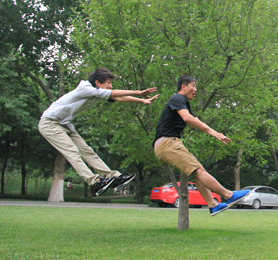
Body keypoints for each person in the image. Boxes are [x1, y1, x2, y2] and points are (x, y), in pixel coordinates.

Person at [39, 68, 159, 196]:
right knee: (72, 152)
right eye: (108, 83)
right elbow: (114, 93)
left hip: (63, 123)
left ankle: (113, 177)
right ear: (97, 83)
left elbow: (117, 98)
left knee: (87, 151)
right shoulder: (85, 89)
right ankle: (94, 181)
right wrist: (138, 92)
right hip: (49, 123)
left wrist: (141, 100)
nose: (110, 86)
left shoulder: (95, 93)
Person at [153, 75, 250, 216]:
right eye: (193, 86)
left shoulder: (184, 104)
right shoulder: (177, 98)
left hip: (168, 143)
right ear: (183, 86)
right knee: (198, 170)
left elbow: (195, 119)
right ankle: (228, 195)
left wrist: (215, 133)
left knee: (197, 171)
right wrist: (214, 133)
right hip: (167, 143)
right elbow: (188, 118)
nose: (195, 89)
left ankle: (213, 204)